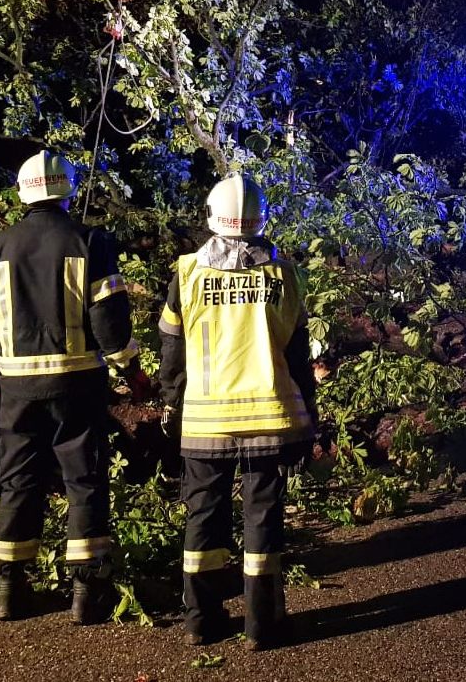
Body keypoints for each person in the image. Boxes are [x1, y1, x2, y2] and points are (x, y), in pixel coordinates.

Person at [0, 149, 147, 623]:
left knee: (18, 480)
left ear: (23, 192)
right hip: (77, 384)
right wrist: (131, 369)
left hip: (17, 388)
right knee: (83, 479)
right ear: (67, 189)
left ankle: (10, 587)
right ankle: (88, 592)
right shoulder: (91, 240)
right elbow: (108, 319)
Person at [158, 173, 316, 651]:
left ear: (212, 218)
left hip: (205, 422)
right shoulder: (284, 274)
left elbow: (172, 351)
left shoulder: (186, 274)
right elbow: (298, 353)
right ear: (259, 221)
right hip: (268, 419)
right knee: (262, 519)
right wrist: (309, 414)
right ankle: (261, 626)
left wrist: (171, 401)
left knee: (202, 519)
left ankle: (201, 622)